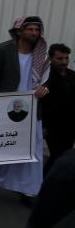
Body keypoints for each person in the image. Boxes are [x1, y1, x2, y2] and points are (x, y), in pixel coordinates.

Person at [0, 16, 50, 205]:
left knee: (32, 149)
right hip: (6, 107)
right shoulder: (2, 50)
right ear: (20, 31)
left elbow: (45, 81)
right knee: (4, 146)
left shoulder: (41, 55)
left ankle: (28, 191)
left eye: (37, 30)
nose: (34, 33)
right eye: (31, 30)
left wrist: (44, 90)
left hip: (32, 107)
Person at [41, 43, 74, 173]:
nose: (64, 62)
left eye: (66, 58)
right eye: (60, 59)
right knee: (57, 156)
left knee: (63, 157)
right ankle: (43, 184)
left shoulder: (72, 75)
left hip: (70, 126)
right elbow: (42, 103)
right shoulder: (45, 77)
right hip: (53, 126)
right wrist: (43, 126)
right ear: (50, 59)